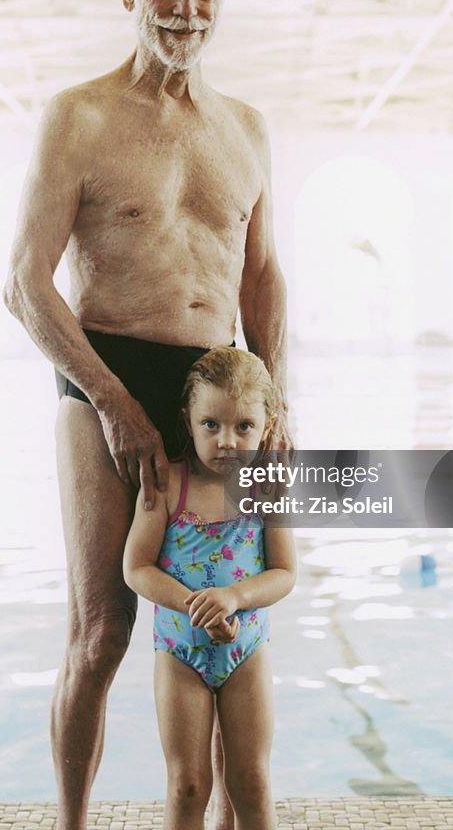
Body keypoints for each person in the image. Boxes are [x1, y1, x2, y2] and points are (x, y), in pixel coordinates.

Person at [3, 0, 291, 830]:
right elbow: (22, 284)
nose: (185, 6)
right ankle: (72, 823)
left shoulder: (247, 126)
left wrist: (277, 399)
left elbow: (263, 273)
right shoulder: (78, 116)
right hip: (104, 375)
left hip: (220, 390)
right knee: (101, 630)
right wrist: (113, 401)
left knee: (231, 620)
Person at [124, 347, 296, 830]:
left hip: (247, 652)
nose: (227, 440)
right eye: (211, 425)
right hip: (180, 654)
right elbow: (136, 567)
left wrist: (235, 598)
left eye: (243, 426)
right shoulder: (165, 484)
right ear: (189, 420)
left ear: (268, 423)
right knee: (187, 784)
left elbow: (284, 572)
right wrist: (194, 605)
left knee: (252, 781)